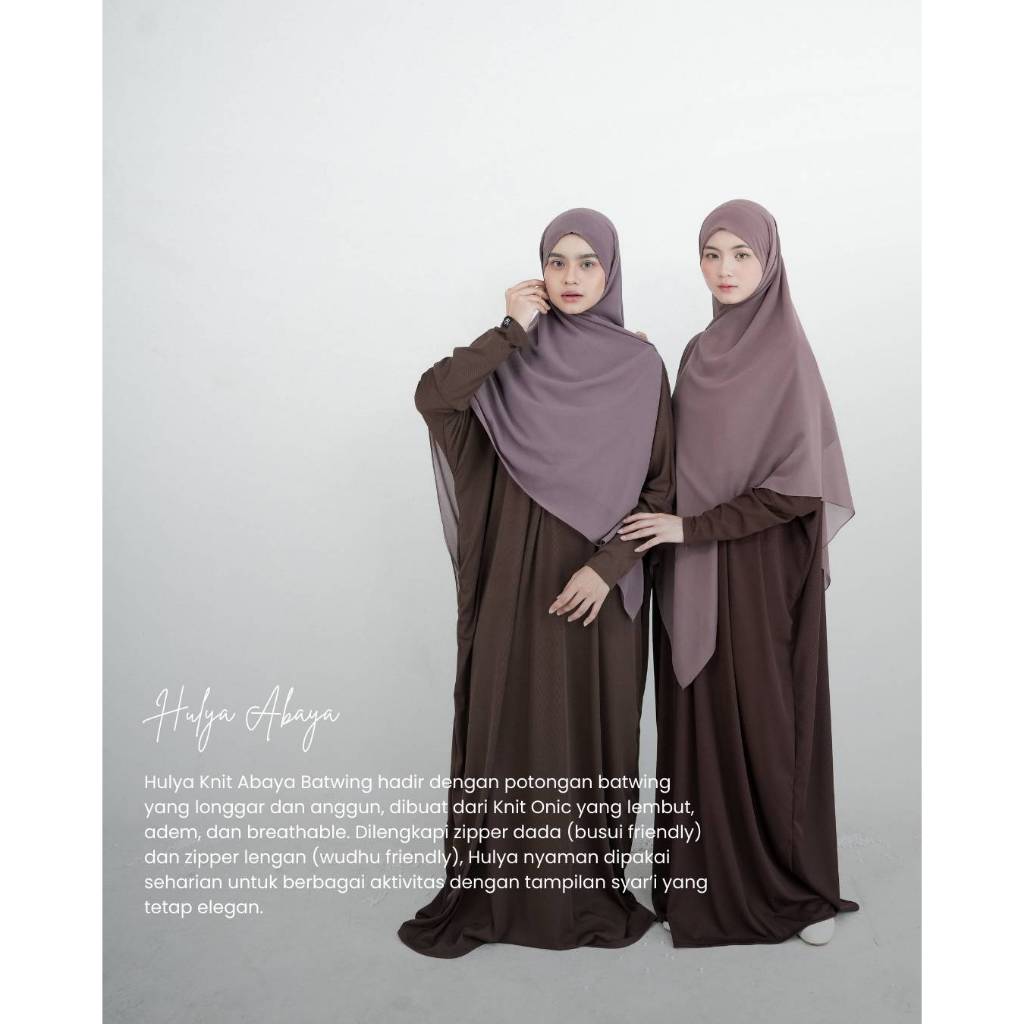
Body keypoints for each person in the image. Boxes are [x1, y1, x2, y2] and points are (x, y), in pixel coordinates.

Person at [398, 208, 674, 958]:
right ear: (539, 272)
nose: (572, 277)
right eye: (558, 262)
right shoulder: (510, 357)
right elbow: (433, 397)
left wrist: (606, 568)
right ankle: (500, 895)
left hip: (600, 593)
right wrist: (508, 331)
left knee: (593, 737)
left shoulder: (640, 366)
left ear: (611, 271)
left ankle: (583, 893)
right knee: (509, 725)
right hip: (516, 585)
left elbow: (660, 487)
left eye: (588, 263)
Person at [620, 199, 859, 947]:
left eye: (741, 254)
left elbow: (798, 488)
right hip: (690, 569)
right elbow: (674, 449)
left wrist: (694, 528)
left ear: (769, 260)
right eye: (711, 253)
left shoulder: (787, 354)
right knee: (698, 726)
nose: (724, 269)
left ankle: (797, 892)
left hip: (758, 572)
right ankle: (702, 886)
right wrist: (629, 366)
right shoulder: (697, 351)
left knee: (767, 725)